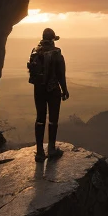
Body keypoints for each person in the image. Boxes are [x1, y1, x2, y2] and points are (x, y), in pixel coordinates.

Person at [27, 27, 69, 161]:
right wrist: (65, 90)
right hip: (53, 89)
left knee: (40, 119)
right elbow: (61, 75)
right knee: (53, 119)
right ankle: (51, 149)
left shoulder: (35, 51)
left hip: (38, 89)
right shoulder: (57, 53)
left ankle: (39, 151)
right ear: (52, 39)